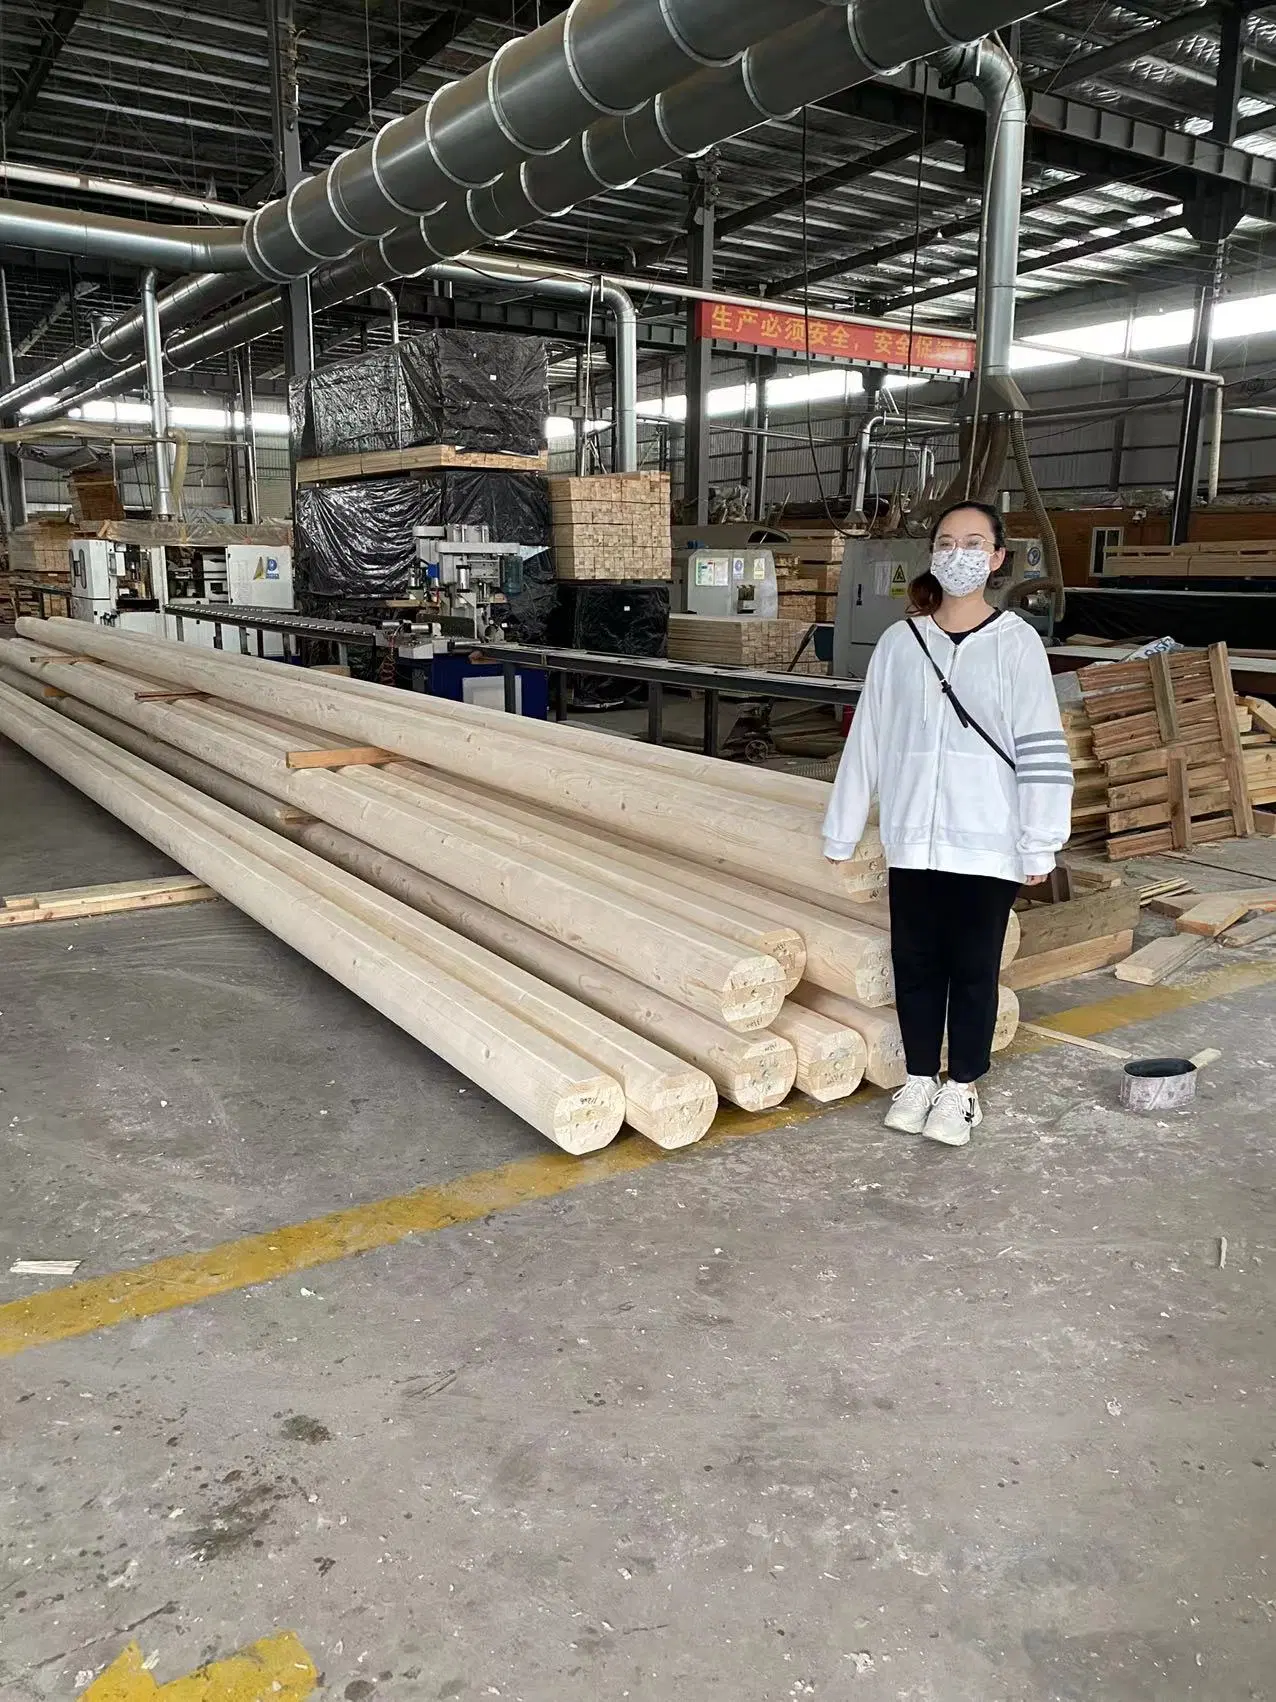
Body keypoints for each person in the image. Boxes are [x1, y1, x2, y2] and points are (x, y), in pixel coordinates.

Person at [823, 501, 1073, 1147]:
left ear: (995, 559)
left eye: (973, 542)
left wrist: (1041, 839)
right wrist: (841, 830)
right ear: (932, 554)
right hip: (915, 838)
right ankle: (918, 1078)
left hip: (989, 842)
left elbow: (1043, 748)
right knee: (915, 961)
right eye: (946, 541)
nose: (957, 552)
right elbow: (868, 741)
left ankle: (962, 1087)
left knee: (973, 967)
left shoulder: (1016, 644)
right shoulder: (901, 642)